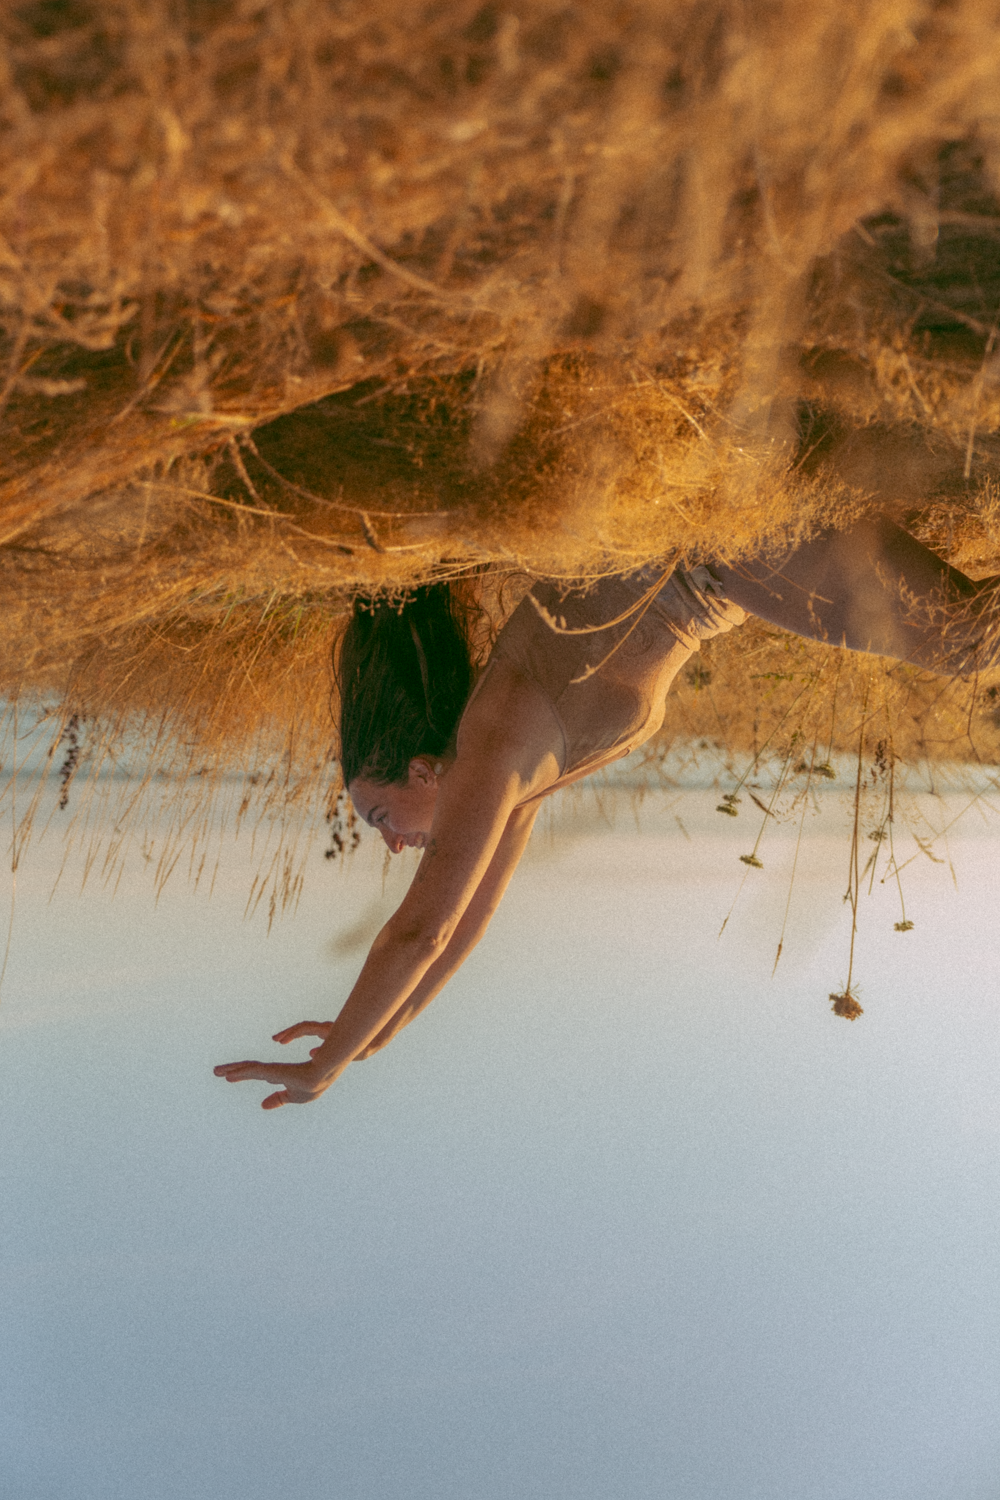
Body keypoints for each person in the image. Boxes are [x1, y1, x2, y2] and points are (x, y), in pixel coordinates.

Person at [215, 515, 998, 1108]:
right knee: (973, 638)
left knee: (973, 640)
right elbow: (459, 934)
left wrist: (329, 1061)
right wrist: (367, 1041)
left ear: (425, 769)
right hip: (724, 568)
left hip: (717, 545)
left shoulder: (491, 743)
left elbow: (425, 929)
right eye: (380, 825)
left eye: (382, 817)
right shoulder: (511, 779)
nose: (392, 845)